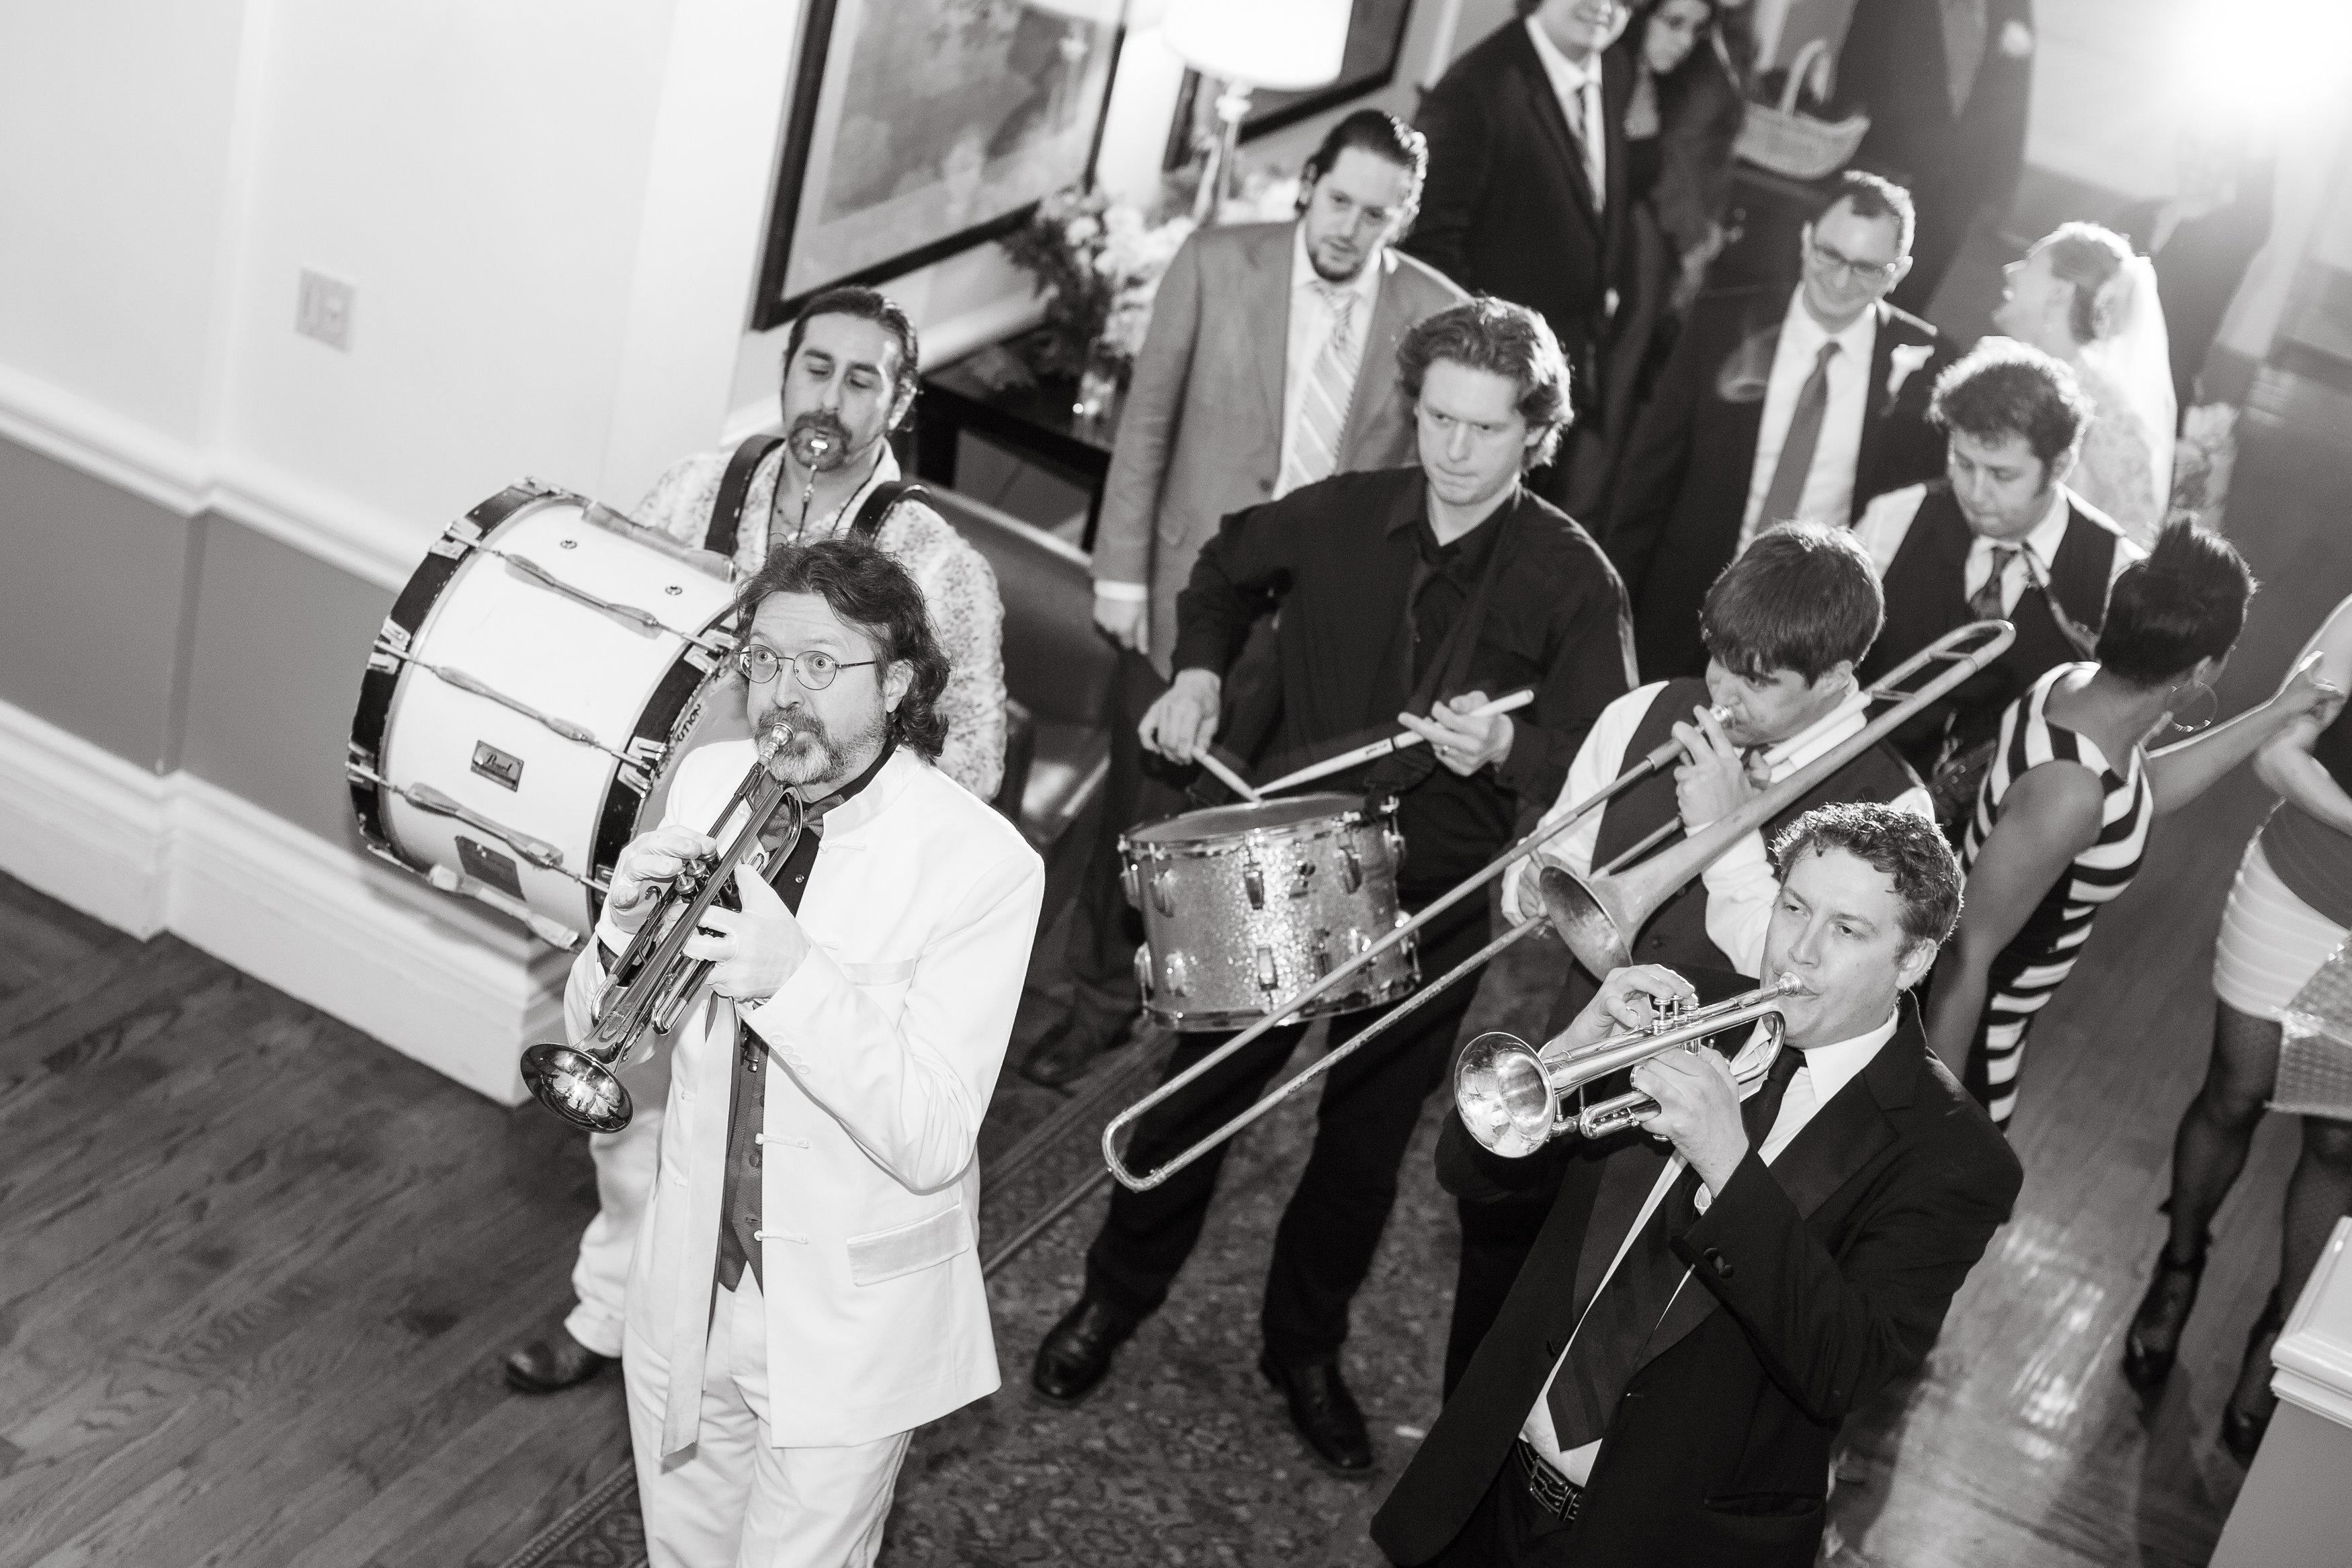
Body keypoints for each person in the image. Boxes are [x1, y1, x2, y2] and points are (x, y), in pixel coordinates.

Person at [1030, 298, 1636, 1475]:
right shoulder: (1345, 512)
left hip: (1435, 889)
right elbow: (1222, 568)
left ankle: (1303, 1348)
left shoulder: (1574, 578)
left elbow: (1605, 751)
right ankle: (1113, 1295)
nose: (1452, 449)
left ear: (1537, 431)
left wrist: (1508, 750)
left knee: (1361, 1148)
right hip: (1288, 861)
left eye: (1485, 428)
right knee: (1195, 1097)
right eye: (1437, 418)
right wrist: (1199, 673)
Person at [503, 286, 1009, 1398]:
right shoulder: (695, 486)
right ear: (785, 375)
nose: (832, 396)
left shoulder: (939, 561)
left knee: (750, 1123)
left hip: (816, 890)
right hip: (667, 840)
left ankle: (741, 1340)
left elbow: (972, 760)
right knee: (629, 1115)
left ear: (901, 402)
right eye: (816, 368)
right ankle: (612, 1308)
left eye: (864, 378)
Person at [1372, 803, 2022, 1566]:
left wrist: (1728, 1166)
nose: (1800, 951)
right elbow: (1466, 1175)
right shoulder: (1690, 1004)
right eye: (1793, 908)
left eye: (1847, 930)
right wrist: (1567, 1054)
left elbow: (1844, 1369)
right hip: (1485, 1485)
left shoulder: (1955, 1156)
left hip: (1664, 1542)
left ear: (1912, 961)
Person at [576, 537, 1042, 1566]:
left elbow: (932, 1136)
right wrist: (615, 932)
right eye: (764, 660)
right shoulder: (709, 782)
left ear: (899, 684)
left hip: (845, 1318)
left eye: (820, 665)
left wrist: (792, 978)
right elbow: (598, 1034)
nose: (782, 695)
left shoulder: (982, 866)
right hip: (687, 1283)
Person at [1023, 110, 1466, 1088]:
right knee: (1138, 818)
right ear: (1309, 183)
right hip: (1185, 593)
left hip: (1321, 629)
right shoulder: (1215, 262)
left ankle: (1209, 1033)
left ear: (1403, 216)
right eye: (1339, 200)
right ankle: (1094, 1003)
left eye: (1377, 214)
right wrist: (1120, 574)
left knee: (1260, 834)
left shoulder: (1435, 313)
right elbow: (1145, 423)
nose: (1350, 228)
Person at [1441, 523, 1931, 1392]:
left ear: (1836, 678)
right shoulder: (1644, 712)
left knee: (1628, 1372)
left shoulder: (1894, 808)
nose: (1723, 692)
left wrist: (1724, 833)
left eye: (1759, 680)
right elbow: (1549, 856)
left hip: (1713, 1136)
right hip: (1578, 1067)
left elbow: (1807, 986)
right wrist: (1535, 888)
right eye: (1719, 659)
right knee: (1492, 1316)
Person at [1923, 522, 2345, 1130]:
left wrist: (2278, 712)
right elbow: (1965, 954)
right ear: (2202, 669)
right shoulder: (2070, 793)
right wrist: (1934, 1120)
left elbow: (2139, 793)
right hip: (1976, 1026)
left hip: (2001, 1016)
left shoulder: (2076, 691)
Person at [2124, 592, 2352, 1461]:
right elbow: (2280, 752)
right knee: (2233, 1093)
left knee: (2338, 1142)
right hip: (2299, 890)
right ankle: (2178, 1266)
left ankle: (2280, 1333)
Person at [1607, 173, 1950, 681]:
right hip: (1684, 603)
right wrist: (1612, 600)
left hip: (1810, 638)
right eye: (1829, 255)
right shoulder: (1722, 322)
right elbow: (1650, 470)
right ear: (1806, 240)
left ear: (1898, 272)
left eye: (1865, 268)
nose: (1840, 281)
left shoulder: (1928, 366)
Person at [1853, 339, 2141, 822]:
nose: (1975, 493)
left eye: (2003, 476)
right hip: (1859, 794)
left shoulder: (2117, 572)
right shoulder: (1893, 519)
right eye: (1963, 464)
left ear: (2061, 465)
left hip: (2001, 828)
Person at [1409, 0, 1634, 508]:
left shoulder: (1614, 69)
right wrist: (1486, 380)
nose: (1603, 6)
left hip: (1563, 373)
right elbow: (1431, 249)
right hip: (1490, 399)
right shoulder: (1473, 89)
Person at [1579, 0, 1750, 511]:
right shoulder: (1611, 66)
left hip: (1644, 250)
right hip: (1630, 248)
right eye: (1674, 24)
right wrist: (1695, 242)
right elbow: (1669, 168)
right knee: (1607, 388)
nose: (1683, 41)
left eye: (1695, 30)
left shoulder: (1671, 72)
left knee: (1618, 388)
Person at [1835, 0, 2037, 316]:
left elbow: (2015, 98)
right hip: (1888, 170)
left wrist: (2001, 191)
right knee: (1853, 282)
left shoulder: (2013, 6)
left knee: (1911, 302)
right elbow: (1855, 69)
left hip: (1957, 191)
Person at [1994, 222, 2175, 543]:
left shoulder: (2108, 416)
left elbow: (2135, 535)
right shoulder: (1997, 364)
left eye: (2029, 263)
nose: (2012, 271)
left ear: (2060, 292)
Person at [2115, 124, 2277, 419]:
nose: (2199, 162)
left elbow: (2259, 184)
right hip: (2099, 380)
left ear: (2234, 164)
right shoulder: (2135, 216)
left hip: (2158, 404)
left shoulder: (2235, 234)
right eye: (2192, 144)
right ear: (2178, 145)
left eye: (2217, 153)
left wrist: (2265, 119)